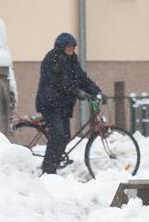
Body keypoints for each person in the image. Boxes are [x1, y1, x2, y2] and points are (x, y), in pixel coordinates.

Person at [35, 32, 101, 174]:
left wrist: (97, 92)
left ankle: (54, 162)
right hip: (50, 104)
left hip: (62, 105)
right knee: (58, 135)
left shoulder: (72, 60)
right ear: (61, 47)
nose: (71, 49)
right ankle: (48, 169)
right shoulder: (54, 59)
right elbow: (61, 82)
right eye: (68, 46)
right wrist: (78, 92)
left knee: (65, 136)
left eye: (73, 46)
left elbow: (82, 78)